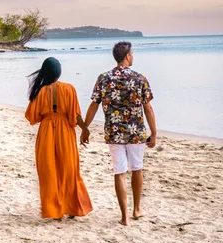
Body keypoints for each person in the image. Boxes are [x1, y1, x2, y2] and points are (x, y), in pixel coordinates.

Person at [81, 42, 157, 226]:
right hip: (136, 132)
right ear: (128, 56)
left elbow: (94, 105)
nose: (133, 56)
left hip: (113, 132)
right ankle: (137, 209)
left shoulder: (104, 78)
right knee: (137, 168)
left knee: (119, 172)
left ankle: (124, 217)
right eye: (132, 53)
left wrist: (85, 127)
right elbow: (148, 108)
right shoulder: (139, 78)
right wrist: (154, 132)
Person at [25, 57, 92, 220]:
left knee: (49, 170)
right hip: (66, 133)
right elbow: (76, 115)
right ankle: (71, 208)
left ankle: (55, 211)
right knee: (69, 169)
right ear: (59, 72)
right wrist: (85, 129)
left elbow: (32, 117)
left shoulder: (39, 92)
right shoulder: (69, 89)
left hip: (47, 132)